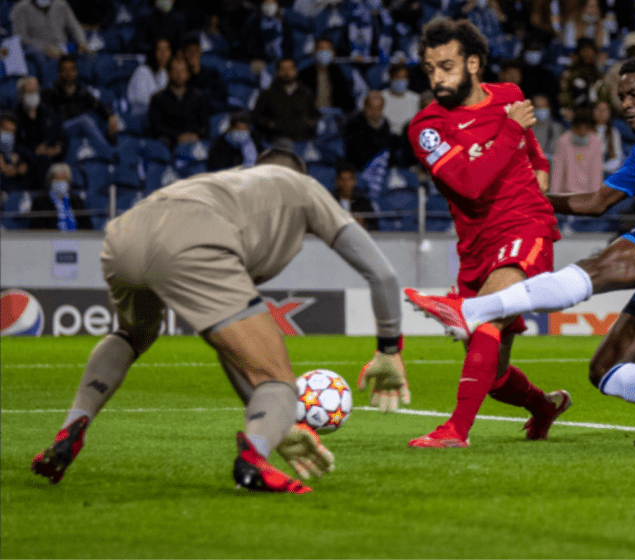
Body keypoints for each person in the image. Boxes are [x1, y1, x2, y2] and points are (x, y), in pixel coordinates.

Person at [30, 147, 409, 493]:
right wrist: (389, 349)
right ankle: (253, 462)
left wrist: (271, 425)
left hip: (125, 233)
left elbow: (230, 350)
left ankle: (71, 428)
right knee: (279, 381)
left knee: (133, 334)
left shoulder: (226, 183)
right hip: (195, 239)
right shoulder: (305, 188)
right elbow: (384, 274)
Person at [406, 55, 635, 445]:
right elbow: (596, 202)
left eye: (634, 94)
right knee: (605, 369)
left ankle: (471, 311)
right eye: (621, 97)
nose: (626, 104)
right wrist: (533, 196)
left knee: (592, 270)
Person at [405, 18, 569, 449]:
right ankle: (544, 407)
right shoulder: (427, 128)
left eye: (446, 67)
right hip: (476, 248)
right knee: (493, 376)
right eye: (430, 69)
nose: (437, 78)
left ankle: (455, 431)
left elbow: (534, 155)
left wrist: (540, 172)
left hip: (525, 228)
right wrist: (512, 130)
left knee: (484, 317)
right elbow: (469, 185)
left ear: (473, 63)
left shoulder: (509, 96)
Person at [42, 54, 119, 155]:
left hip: (79, 127)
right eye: (65, 70)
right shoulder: (51, 92)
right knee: (85, 120)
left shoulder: (81, 91)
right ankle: (110, 153)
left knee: (104, 120)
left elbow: (97, 106)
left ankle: (105, 157)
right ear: (59, 73)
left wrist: (110, 116)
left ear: (76, 72)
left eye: (71, 70)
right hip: (61, 129)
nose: (68, 74)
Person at [251, 58, 320, 144]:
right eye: (283, 69)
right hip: (275, 141)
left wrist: (308, 125)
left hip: (302, 141)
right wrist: (271, 124)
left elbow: (315, 116)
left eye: (290, 69)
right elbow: (256, 117)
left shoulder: (307, 94)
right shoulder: (266, 94)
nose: (287, 73)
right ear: (277, 72)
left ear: (295, 71)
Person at [148, 56, 209, 149]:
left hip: (195, 141)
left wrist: (195, 135)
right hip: (170, 143)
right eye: (175, 71)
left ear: (188, 74)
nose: (179, 74)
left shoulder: (199, 96)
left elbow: (204, 125)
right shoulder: (157, 99)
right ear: (169, 73)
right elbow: (156, 128)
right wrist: (177, 137)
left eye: (182, 71)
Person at [14, 76, 68, 178]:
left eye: (35, 91)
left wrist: (56, 148)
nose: (33, 95)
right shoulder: (14, 117)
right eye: (29, 92)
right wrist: (34, 151)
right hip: (28, 163)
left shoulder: (49, 113)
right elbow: (15, 144)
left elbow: (61, 135)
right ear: (20, 94)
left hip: (52, 158)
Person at [10, 0, 90, 58]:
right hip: (38, 52)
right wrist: (44, 48)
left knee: (87, 55)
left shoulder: (61, 4)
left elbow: (75, 26)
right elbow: (20, 38)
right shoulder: (21, 8)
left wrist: (82, 42)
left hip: (62, 47)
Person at [298, 37, 356, 115]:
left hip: (334, 114)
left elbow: (347, 101)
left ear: (333, 53)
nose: (324, 52)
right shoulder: (304, 74)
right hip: (311, 115)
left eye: (328, 49)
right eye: (321, 49)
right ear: (314, 51)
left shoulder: (339, 73)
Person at [29, 162, 92, 230]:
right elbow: (36, 227)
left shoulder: (77, 201)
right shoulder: (39, 201)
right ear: (50, 180)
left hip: (76, 235)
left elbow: (87, 226)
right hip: (51, 236)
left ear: (68, 181)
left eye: (63, 179)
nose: (60, 182)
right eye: (56, 179)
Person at [343, 90, 396, 171]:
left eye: (378, 109)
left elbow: (388, 151)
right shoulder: (354, 124)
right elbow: (355, 155)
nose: (375, 113)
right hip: (360, 169)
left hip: (382, 168)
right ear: (365, 107)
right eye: (372, 108)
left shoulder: (385, 124)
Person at [181, 32, 229, 115]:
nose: (193, 55)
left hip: (212, 112)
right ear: (184, 53)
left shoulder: (212, 73)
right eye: (190, 51)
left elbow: (222, 96)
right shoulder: (181, 76)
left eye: (196, 51)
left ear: (200, 52)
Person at [126, 37, 172, 116]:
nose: (163, 54)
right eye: (160, 50)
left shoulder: (164, 73)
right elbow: (141, 100)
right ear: (153, 52)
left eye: (166, 50)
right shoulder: (142, 71)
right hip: (141, 116)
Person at [331, 160, 378, 231]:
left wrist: (364, 223)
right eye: (343, 179)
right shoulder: (331, 200)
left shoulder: (363, 201)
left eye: (349, 179)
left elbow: (374, 226)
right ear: (337, 181)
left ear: (354, 181)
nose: (346, 184)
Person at [0, 111, 37, 191]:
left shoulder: (19, 151)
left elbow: (24, 168)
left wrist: (17, 169)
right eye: (5, 130)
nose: (7, 135)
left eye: (11, 132)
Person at [530, 93, 564, 168]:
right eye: (538, 107)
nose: (541, 110)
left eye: (543, 106)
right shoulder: (526, 129)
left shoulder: (557, 128)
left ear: (549, 107)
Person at [592, 99, 623, 176]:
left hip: (606, 171)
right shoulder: (586, 131)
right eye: (598, 109)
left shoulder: (614, 132)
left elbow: (617, 159)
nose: (601, 112)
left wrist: (601, 168)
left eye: (605, 110)